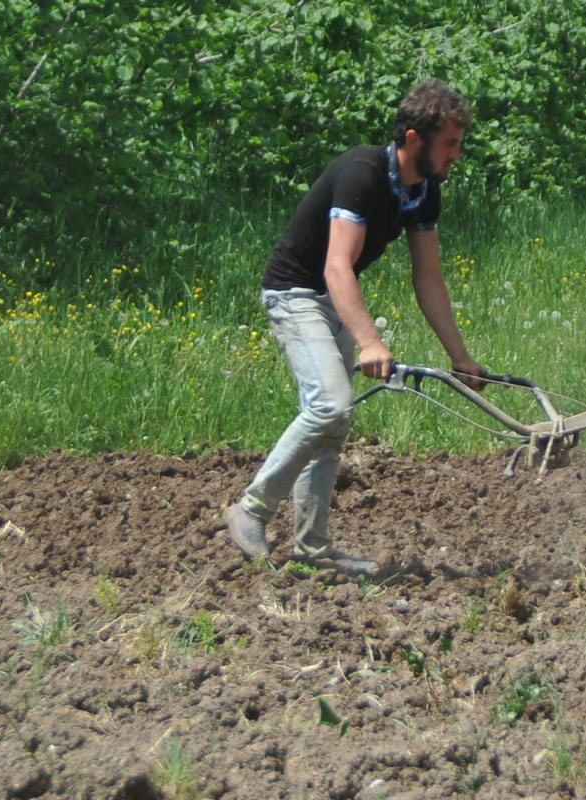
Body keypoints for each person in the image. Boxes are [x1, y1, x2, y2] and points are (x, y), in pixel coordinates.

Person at [223, 79, 485, 576]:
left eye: (458, 143)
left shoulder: (424, 189)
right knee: (330, 405)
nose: (456, 154)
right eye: (450, 143)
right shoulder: (361, 173)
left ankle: (313, 548)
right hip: (295, 292)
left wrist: (460, 355)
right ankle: (251, 510)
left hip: (329, 297)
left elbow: (427, 276)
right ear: (414, 139)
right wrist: (369, 340)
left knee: (334, 421)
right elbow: (336, 267)